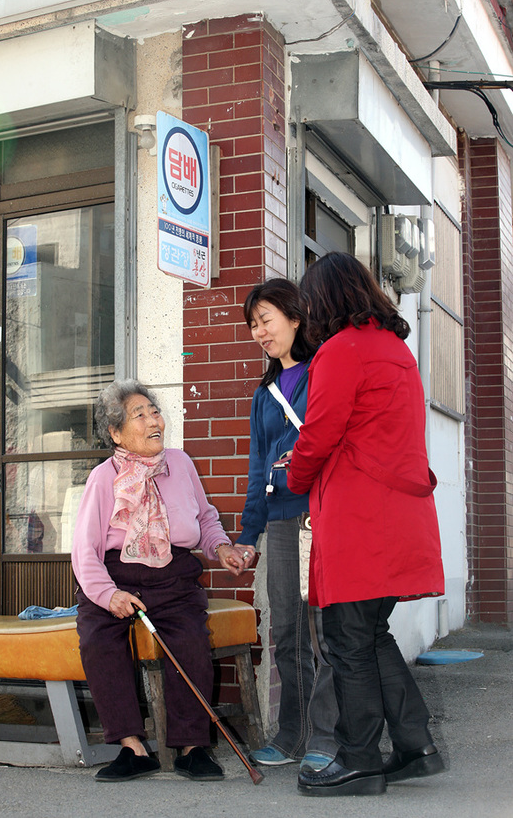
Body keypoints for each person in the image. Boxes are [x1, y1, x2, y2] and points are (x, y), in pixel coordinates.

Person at [287, 252, 445, 797]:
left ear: (325, 302)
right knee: (370, 634)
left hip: (360, 517)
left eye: (308, 306)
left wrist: (295, 476)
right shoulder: (395, 349)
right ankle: (414, 745)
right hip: (397, 513)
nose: (306, 318)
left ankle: (358, 759)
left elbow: (319, 434)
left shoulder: (340, 351)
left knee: (347, 641)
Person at [71, 379, 245, 783]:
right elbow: (85, 550)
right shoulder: (102, 478)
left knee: (188, 641)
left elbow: (204, 518)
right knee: (98, 639)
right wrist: (107, 595)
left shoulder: (180, 464)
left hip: (174, 576)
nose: (154, 421)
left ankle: (191, 748)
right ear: (115, 433)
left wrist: (221, 548)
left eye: (154, 412)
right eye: (139, 415)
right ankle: (132, 748)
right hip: (116, 577)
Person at [233, 278, 338, 771]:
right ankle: (293, 734)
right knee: (288, 630)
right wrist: (247, 535)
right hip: (278, 522)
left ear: (296, 319)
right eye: (253, 324)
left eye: (266, 320)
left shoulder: (325, 372)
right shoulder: (265, 392)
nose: (259, 332)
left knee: (324, 629)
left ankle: (329, 738)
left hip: (321, 515)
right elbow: (257, 468)